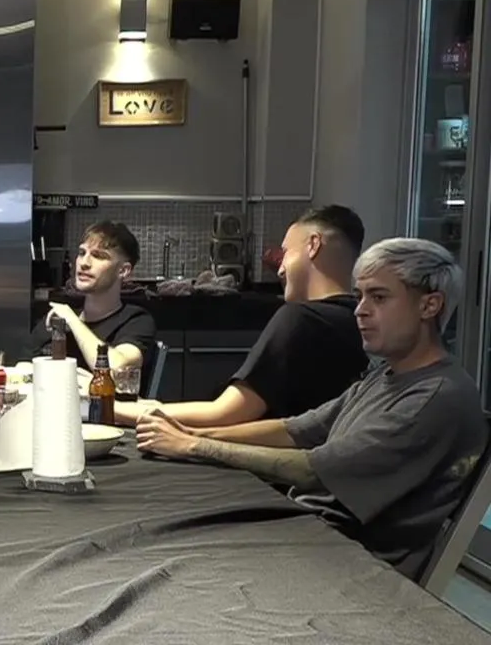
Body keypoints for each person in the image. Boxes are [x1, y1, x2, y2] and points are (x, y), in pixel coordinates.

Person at [136, 238, 487, 580]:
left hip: (349, 567)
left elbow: (315, 470)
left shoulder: (436, 397)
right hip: (314, 535)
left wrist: (195, 446)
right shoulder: (387, 374)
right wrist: (195, 433)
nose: (360, 310)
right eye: (360, 296)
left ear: (430, 306)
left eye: (379, 297)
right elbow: (298, 429)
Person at [118, 205, 369, 426]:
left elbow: (225, 414)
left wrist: (115, 410)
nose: (280, 269)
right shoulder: (362, 322)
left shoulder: (301, 319)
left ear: (313, 245)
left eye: (285, 253)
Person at [25, 221, 157, 378]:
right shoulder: (56, 318)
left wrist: (73, 321)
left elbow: (117, 370)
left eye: (98, 256)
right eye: (82, 253)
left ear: (123, 270)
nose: (84, 263)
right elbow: (21, 368)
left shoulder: (136, 321)